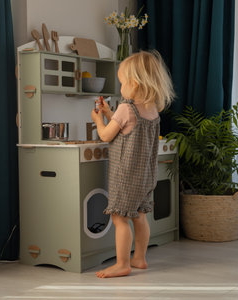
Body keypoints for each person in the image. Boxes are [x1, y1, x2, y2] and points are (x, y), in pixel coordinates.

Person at [91, 50, 174, 278]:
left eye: (122, 83)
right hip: (146, 176)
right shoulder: (152, 109)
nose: (121, 88)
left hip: (126, 176)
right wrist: (110, 113)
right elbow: (126, 128)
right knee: (140, 216)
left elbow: (107, 136)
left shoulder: (126, 108)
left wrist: (99, 120)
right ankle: (139, 258)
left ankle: (122, 264)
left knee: (120, 219)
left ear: (134, 84)